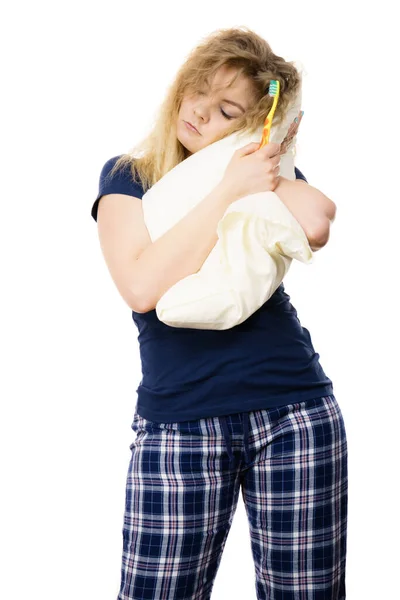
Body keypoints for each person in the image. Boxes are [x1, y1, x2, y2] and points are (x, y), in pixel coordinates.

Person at [91, 26, 347, 600]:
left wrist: (268, 161)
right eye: (197, 92)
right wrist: (229, 188)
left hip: (294, 413)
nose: (201, 113)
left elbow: (315, 226)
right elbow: (140, 286)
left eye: (226, 108)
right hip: (179, 423)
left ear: (252, 123)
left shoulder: (263, 173)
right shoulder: (130, 177)